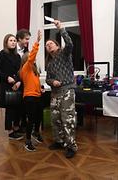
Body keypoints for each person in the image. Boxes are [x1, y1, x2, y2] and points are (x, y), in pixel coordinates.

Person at [45, 20, 78, 158]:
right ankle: (59, 141)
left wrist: (61, 29)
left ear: (57, 45)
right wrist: (53, 81)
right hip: (55, 93)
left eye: (51, 43)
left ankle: (71, 146)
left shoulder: (65, 54)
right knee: (55, 119)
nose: (48, 45)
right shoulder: (50, 63)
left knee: (67, 119)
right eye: (46, 45)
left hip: (67, 91)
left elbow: (70, 44)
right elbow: (47, 79)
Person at [0, 34, 23, 140]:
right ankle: (10, 132)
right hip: (6, 85)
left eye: (14, 40)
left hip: (17, 85)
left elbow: (20, 71)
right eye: (11, 40)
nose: (13, 42)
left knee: (17, 108)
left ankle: (16, 127)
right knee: (10, 109)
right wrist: (7, 78)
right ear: (6, 42)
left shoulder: (18, 56)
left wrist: (19, 81)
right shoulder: (1, 55)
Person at [19, 30, 43, 151]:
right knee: (31, 120)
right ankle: (27, 141)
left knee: (39, 117)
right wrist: (37, 42)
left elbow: (35, 83)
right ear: (26, 59)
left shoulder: (33, 70)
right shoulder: (25, 68)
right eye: (30, 57)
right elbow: (32, 55)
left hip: (37, 96)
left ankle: (36, 134)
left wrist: (40, 89)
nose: (33, 58)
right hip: (29, 97)